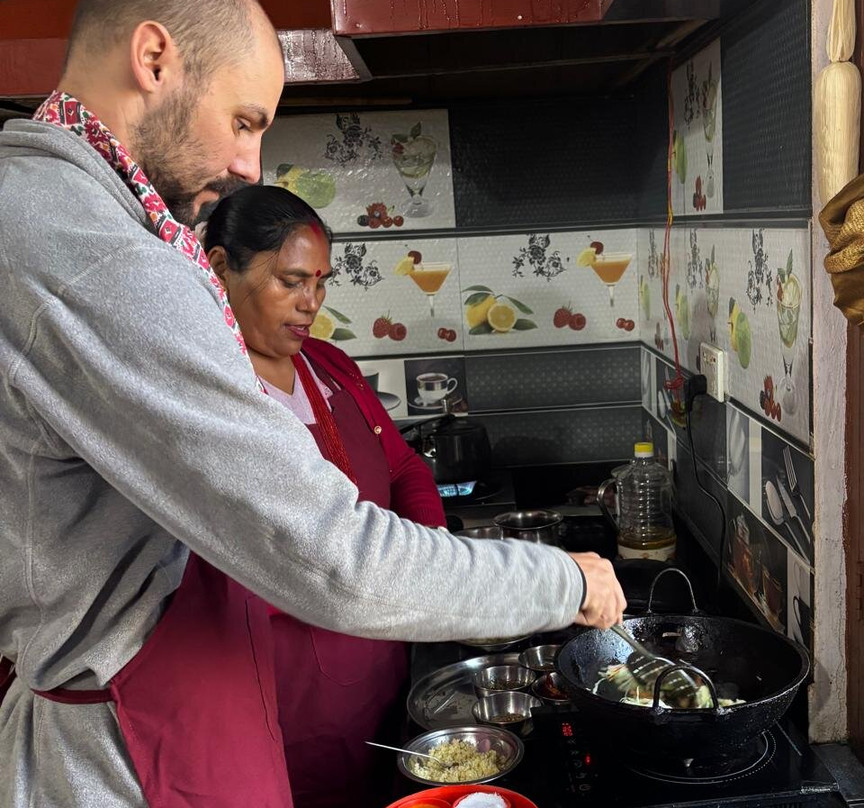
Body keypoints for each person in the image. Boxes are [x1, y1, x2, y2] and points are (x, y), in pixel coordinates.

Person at [0, 1, 626, 806]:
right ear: (154, 58)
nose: (250, 163)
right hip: (133, 747)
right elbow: (333, 558)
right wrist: (560, 581)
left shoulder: (32, 206)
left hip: (149, 712)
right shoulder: (96, 258)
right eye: (244, 119)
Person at [203, 185, 445, 806]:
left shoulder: (330, 367)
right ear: (219, 265)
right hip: (278, 694)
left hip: (382, 673)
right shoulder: (208, 394)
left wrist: (431, 557)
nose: (311, 304)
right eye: (291, 281)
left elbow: (405, 469)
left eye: (321, 281)